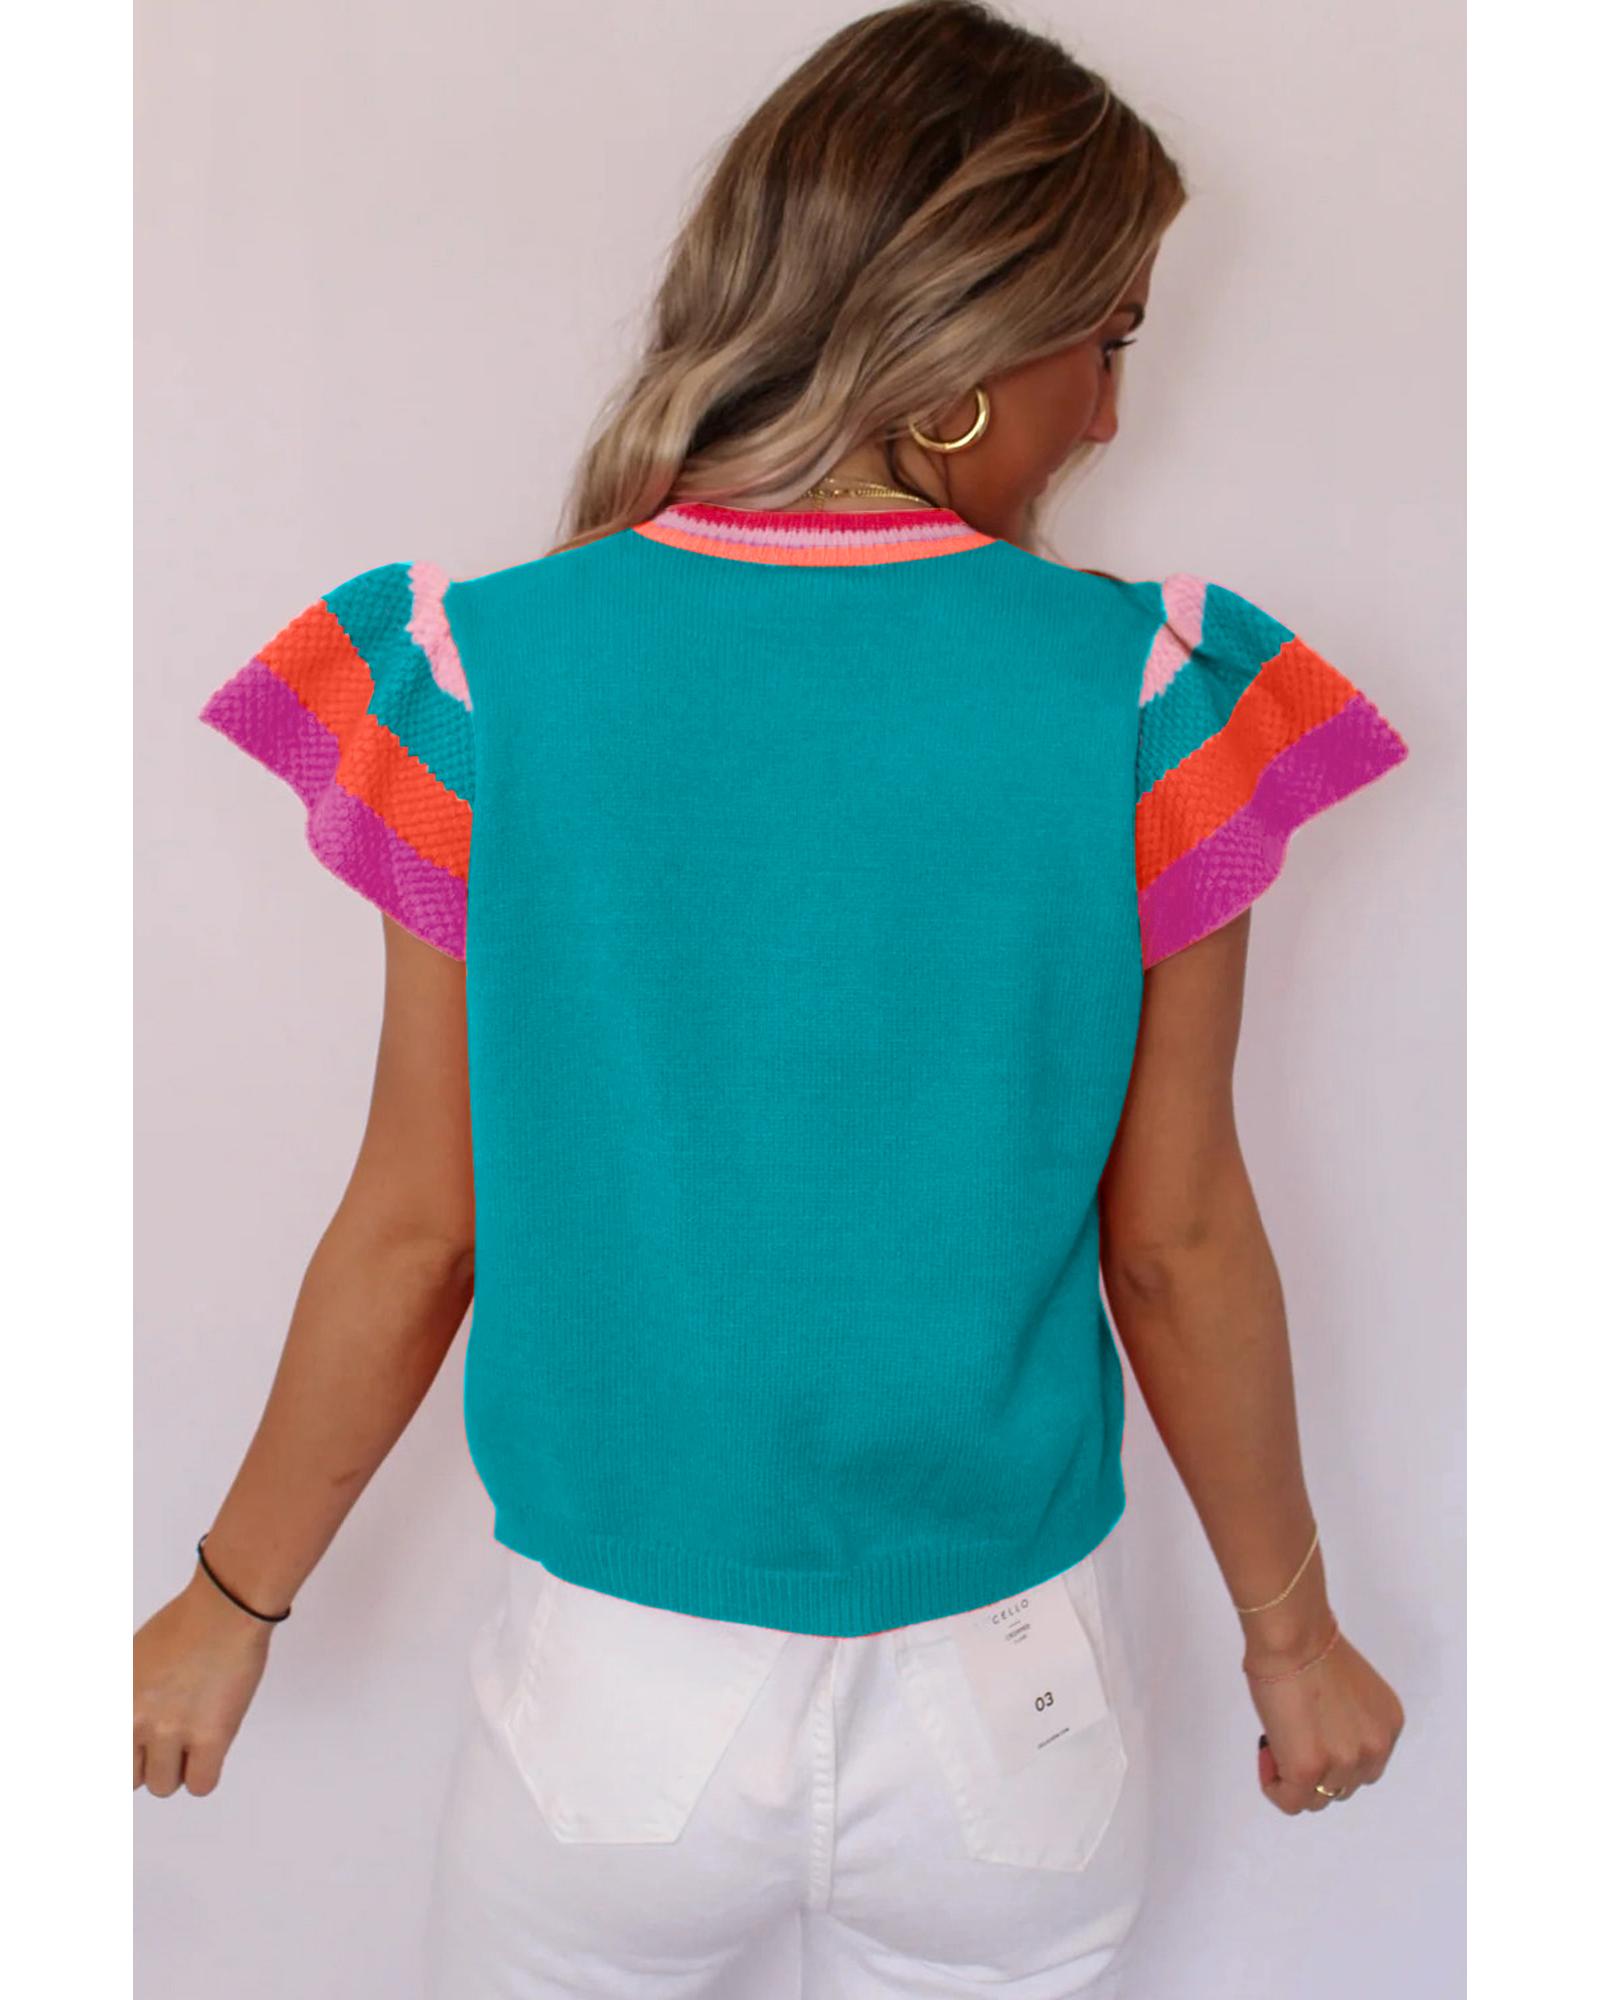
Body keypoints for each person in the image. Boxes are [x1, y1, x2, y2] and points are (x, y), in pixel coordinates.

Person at [134, 1, 1410, 1992]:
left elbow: (418, 1223)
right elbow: (1171, 1243)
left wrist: (230, 1602)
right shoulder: (1151, 698)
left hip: (614, 1703)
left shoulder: (480, 677)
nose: (1108, 413)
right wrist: (1294, 1640)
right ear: (962, 347)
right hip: (1013, 1706)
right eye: (1104, 340)